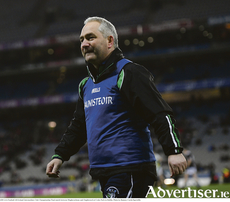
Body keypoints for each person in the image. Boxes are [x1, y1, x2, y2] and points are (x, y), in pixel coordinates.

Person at [46, 16, 187, 198]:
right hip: (105, 171)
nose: (84, 44)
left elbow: (158, 112)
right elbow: (79, 126)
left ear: (110, 41)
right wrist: (59, 155)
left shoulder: (129, 73)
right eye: (81, 40)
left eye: (90, 37)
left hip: (130, 167)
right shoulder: (86, 85)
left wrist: (173, 151)